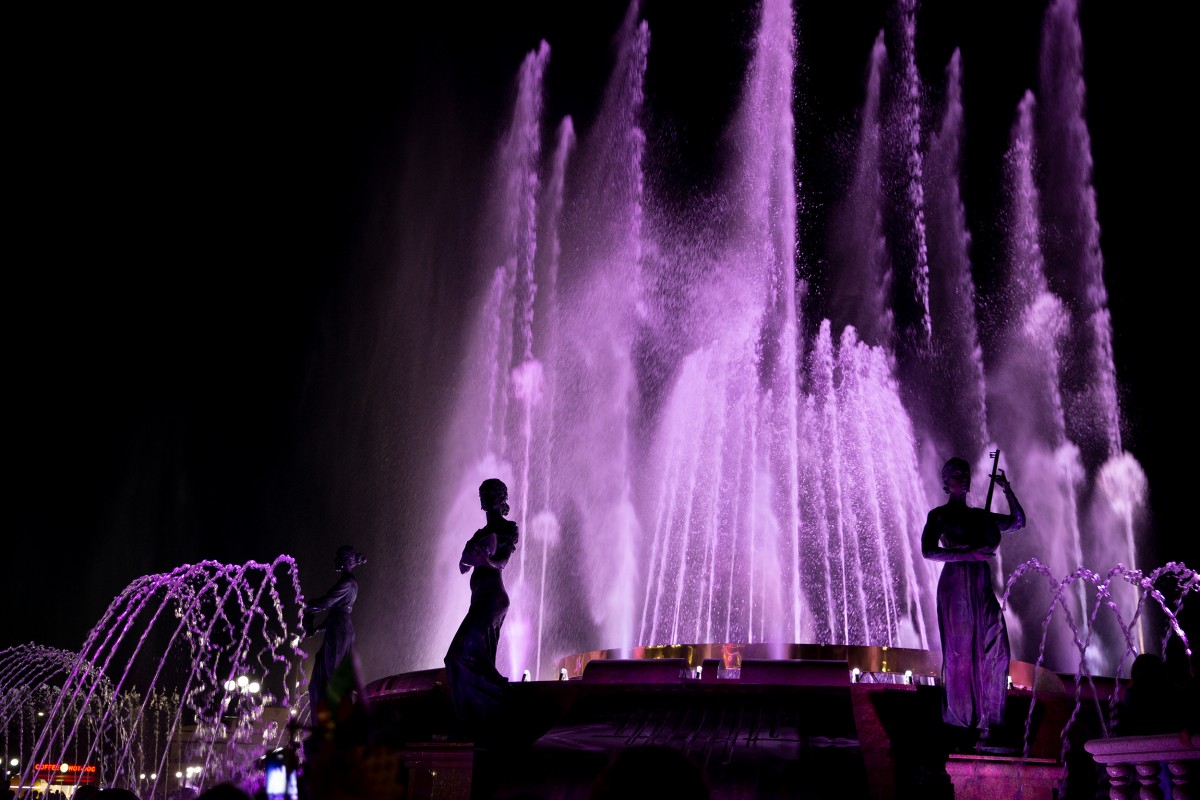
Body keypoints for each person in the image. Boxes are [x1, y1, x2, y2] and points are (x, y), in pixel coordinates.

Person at [922, 455, 1026, 751]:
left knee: (998, 647)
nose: (963, 477)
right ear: (946, 482)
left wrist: (1007, 490)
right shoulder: (939, 515)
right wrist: (969, 554)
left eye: (965, 472)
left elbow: (1019, 522)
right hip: (955, 589)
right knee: (960, 654)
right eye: (956, 473)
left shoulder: (982, 517)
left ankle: (990, 717)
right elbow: (928, 551)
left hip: (980, 587)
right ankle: (963, 723)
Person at [444, 477, 519, 739]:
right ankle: (473, 722)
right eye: (482, 493)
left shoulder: (508, 527)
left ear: (501, 498)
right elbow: (463, 567)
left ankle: (503, 701)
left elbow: (501, 562)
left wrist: (483, 557)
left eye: (489, 493)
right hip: (479, 602)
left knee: (458, 655)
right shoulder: (478, 535)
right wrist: (469, 557)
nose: (484, 497)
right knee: (463, 659)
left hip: (493, 600)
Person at [303, 545, 367, 716]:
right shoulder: (347, 581)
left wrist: (305, 605)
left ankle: (341, 719)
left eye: (337, 557)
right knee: (320, 675)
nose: (334, 560)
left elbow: (327, 603)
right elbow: (335, 612)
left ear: (346, 560)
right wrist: (316, 629)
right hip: (337, 627)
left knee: (334, 674)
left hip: (340, 630)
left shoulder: (348, 582)